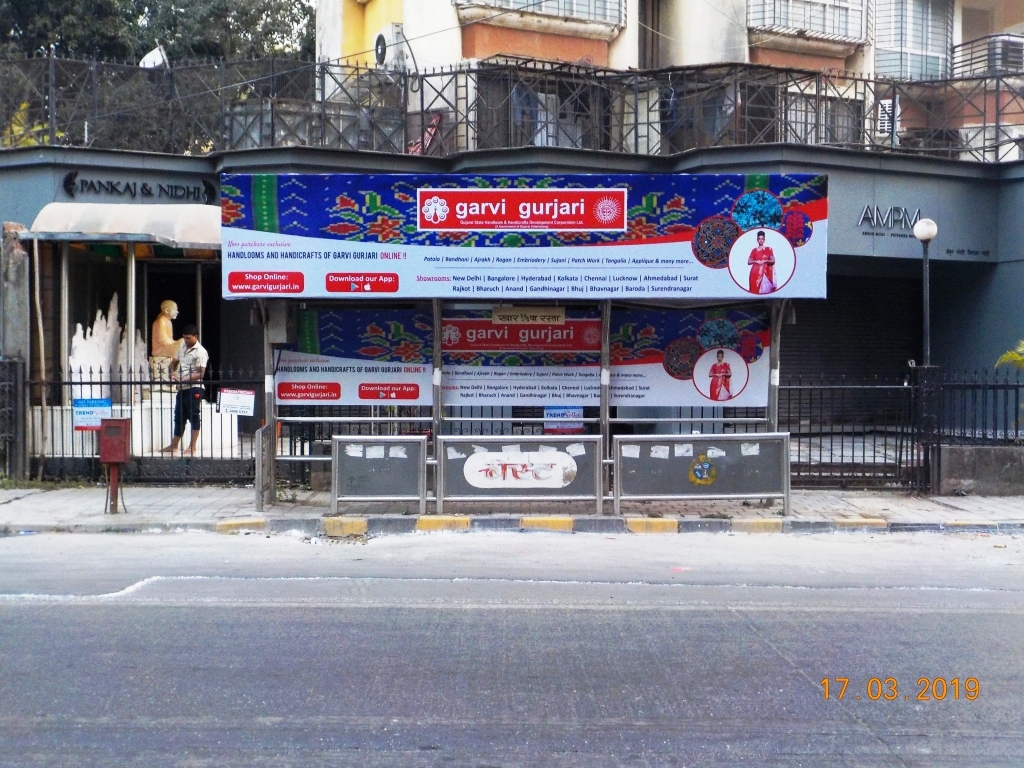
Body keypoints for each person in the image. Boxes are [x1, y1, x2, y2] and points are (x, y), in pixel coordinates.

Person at [161, 324, 208, 455]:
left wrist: (182, 379)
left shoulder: (200, 351)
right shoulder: (182, 348)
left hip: (194, 388)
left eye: (188, 338)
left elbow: (200, 373)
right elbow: (174, 362)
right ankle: (174, 445)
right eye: (184, 338)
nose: (186, 340)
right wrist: (172, 372)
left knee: (194, 416)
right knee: (179, 416)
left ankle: (192, 446)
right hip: (182, 388)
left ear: (195, 337)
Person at [150, 300, 182, 380]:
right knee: (183, 342)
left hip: (166, 347)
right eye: (175, 309)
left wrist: (175, 343)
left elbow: (169, 339)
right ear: (167, 310)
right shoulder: (161, 321)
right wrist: (176, 344)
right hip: (159, 350)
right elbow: (163, 340)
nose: (177, 312)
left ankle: (178, 371)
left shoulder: (168, 322)